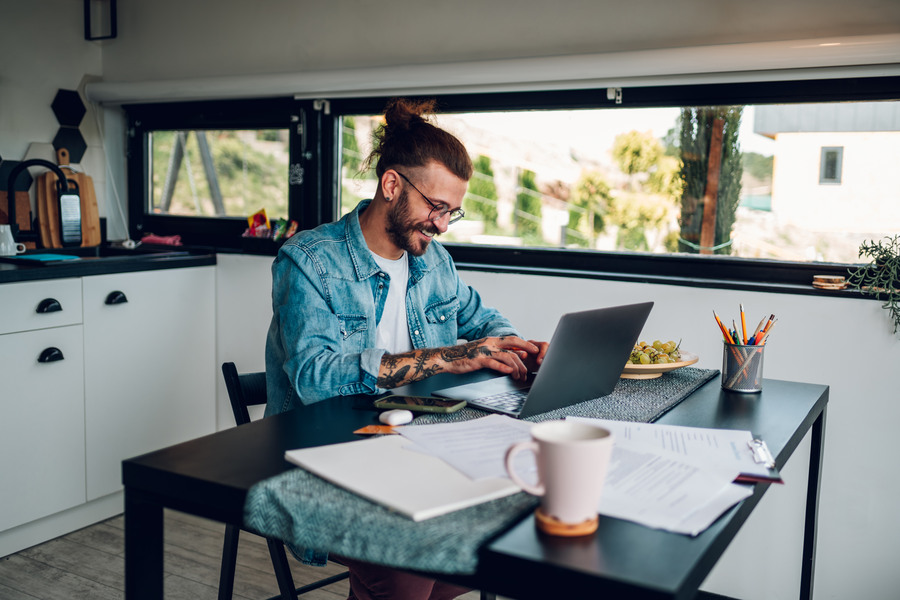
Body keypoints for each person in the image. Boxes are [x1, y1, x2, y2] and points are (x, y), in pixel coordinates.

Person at [265, 97, 548, 600]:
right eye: (435, 207)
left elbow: (484, 320)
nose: (441, 225)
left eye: (452, 212)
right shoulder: (308, 260)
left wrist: (517, 348)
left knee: (508, 525)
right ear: (391, 184)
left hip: (416, 447)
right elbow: (314, 376)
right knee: (409, 563)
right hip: (330, 455)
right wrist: (453, 357)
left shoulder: (433, 260)